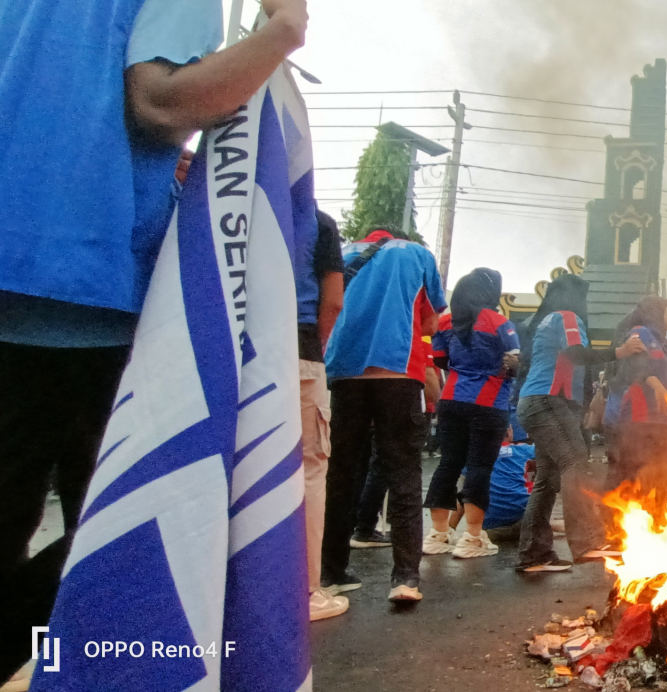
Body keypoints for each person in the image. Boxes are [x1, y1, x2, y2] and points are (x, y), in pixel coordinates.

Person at [0, 0, 307, 680]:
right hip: (89, 291)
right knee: (126, 541)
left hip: (18, 280)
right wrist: (280, 34)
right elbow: (162, 102)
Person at [322, 229, 446, 603]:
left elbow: (327, 306)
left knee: (342, 474)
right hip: (397, 371)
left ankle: (331, 573)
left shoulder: (342, 253)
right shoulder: (416, 254)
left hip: (344, 372)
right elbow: (430, 322)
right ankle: (405, 578)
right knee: (404, 473)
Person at [515, 274, 645, 572]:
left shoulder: (546, 320)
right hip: (549, 400)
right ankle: (587, 542)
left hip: (539, 401)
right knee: (576, 464)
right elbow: (576, 354)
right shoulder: (566, 317)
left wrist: (583, 407)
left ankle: (533, 554)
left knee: (547, 481)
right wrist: (619, 352)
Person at [423, 268, 520, 559]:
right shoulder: (500, 322)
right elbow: (513, 361)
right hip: (489, 404)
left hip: (451, 399)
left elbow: (440, 359)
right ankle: (473, 538)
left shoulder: (445, 323)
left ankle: (437, 535)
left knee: (448, 464)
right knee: (479, 468)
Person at [301, 210, 348, 621]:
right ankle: (305, 591)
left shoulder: (220, 190)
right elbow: (332, 300)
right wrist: (314, 347)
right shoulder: (316, 221)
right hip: (297, 351)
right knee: (309, 468)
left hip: (229, 350)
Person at [605, 297, 667, 521]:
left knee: (661, 474)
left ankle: (656, 522)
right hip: (639, 418)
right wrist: (654, 383)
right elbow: (632, 365)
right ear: (656, 313)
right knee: (631, 474)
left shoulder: (666, 343)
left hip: (663, 421)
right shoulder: (640, 334)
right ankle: (616, 528)